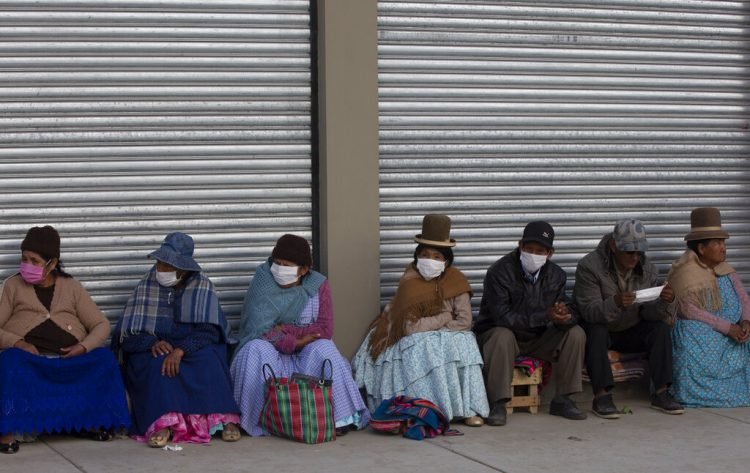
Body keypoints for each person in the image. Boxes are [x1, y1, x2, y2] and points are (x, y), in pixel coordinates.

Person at [0, 226, 130, 454]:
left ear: (52, 263)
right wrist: (18, 343)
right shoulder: (12, 286)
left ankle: (88, 422)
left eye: (34, 260)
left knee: (104, 359)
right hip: (33, 362)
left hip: (69, 363)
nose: (27, 265)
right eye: (24, 259)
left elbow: (101, 325)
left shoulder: (71, 287)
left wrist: (83, 346)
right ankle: (9, 429)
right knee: (10, 362)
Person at [353, 215, 489, 427]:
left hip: (445, 332)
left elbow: (464, 321)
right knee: (420, 345)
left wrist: (441, 329)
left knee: (465, 342)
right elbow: (409, 327)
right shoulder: (410, 279)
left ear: (446, 260)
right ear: (417, 257)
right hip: (412, 332)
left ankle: (466, 409)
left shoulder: (456, 280)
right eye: (425, 255)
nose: (430, 260)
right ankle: (421, 409)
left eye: (437, 256)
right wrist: (444, 317)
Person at [231, 234, 370, 437]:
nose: (278, 269)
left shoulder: (319, 285)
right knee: (255, 349)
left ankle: (337, 419)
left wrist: (291, 333)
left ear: (304, 270)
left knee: (326, 349)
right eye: (276, 263)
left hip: (306, 354)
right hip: (272, 351)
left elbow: (324, 328)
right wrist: (290, 341)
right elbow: (259, 327)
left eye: (286, 265)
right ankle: (259, 420)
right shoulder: (263, 279)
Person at [113, 232, 240, 447]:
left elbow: (209, 331)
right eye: (159, 263)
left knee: (209, 361)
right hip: (155, 346)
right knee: (157, 365)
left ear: (183, 269)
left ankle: (225, 420)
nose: (160, 270)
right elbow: (128, 335)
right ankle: (162, 424)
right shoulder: (146, 286)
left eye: (167, 265)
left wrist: (181, 350)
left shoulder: (203, 286)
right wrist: (151, 342)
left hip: (193, 346)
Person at [474, 221, 587, 426]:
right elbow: (502, 317)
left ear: (549, 253)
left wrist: (565, 315)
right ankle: (497, 402)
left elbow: (570, 308)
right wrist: (546, 316)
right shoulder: (499, 272)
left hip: (537, 338)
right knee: (501, 335)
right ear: (520, 245)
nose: (533, 254)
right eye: (529, 249)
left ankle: (564, 399)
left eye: (539, 250)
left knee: (575, 333)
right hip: (503, 337)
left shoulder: (556, 275)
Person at [574, 219, 684, 418]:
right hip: (603, 327)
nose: (635, 258)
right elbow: (588, 311)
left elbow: (648, 313)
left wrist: (665, 301)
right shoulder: (589, 266)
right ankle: (602, 395)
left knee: (659, 328)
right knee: (595, 330)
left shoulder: (648, 269)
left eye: (639, 252)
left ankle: (661, 392)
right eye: (629, 252)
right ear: (614, 246)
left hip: (630, 327)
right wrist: (615, 303)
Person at [668, 207, 750, 407]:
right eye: (717, 243)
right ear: (702, 248)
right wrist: (727, 327)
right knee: (689, 331)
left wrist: (746, 322)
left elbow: (744, 299)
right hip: (704, 334)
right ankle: (700, 391)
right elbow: (687, 310)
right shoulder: (684, 272)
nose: (723, 248)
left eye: (724, 243)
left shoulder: (727, 271)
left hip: (734, 332)